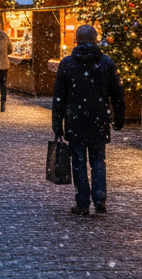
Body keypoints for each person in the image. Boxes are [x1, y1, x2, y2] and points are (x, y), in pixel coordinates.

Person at [51, 25, 126, 216]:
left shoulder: (67, 64)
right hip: (98, 119)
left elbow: (59, 96)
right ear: (95, 39)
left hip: (75, 120)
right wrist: (119, 117)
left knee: (78, 161)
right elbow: (117, 93)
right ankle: (99, 198)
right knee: (98, 160)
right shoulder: (105, 63)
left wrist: (57, 124)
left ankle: (83, 202)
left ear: (76, 40)